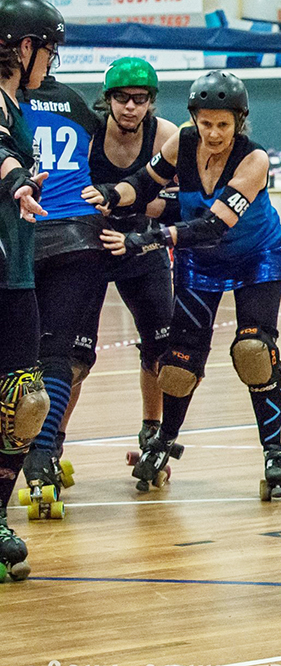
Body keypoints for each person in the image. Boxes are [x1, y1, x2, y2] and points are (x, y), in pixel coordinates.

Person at [83, 71, 281, 496]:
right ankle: (163, 442)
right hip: (202, 262)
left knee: (254, 351)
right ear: (194, 118)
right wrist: (110, 194)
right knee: (178, 364)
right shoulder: (182, 142)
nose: (213, 133)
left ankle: (273, 451)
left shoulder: (254, 160)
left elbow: (214, 225)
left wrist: (148, 239)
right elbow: (144, 184)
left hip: (257, 258)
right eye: (206, 122)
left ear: (239, 122)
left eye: (223, 124)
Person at [59, 57, 177, 451]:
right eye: (122, 98)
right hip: (89, 247)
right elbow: (67, 195)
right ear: (107, 99)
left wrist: (129, 206)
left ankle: (151, 431)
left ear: (150, 102)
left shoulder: (166, 136)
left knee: (160, 350)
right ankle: (53, 441)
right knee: (74, 360)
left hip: (141, 246)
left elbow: (182, 206)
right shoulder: (88, 135)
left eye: (140, 99)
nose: (131, 107)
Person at [18, 64, 118, 514]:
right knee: (58, 353)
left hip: (23, 229)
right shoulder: (78, 102)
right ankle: (42, 459)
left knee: (18, 355)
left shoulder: (9, 99)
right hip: (81, 233)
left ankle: (27, 453)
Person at [0, 0, 62, 579]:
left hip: (16, 271)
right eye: (48, 51)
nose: (50, 62)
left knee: (26, 402)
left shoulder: (17, 105)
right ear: (26, 49)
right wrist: (18, 180)